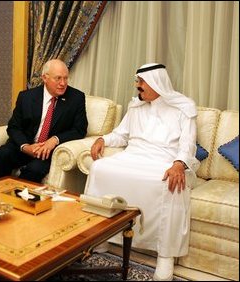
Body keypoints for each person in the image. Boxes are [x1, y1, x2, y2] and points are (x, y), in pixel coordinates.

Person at [85, 63, 199, 281]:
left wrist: (179, 163)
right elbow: (121, 135)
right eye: (137, 81)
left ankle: (165, 254)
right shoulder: (136, 106)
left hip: (165, 161)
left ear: (156, 82)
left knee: (171, 182)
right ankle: (101, 236)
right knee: (99, 168)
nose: (137, 86)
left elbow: (187, 144)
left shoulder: (184, 107)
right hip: (133, 157)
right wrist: (103, 139)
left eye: (141, 82)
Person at [0, 59, 88, 183]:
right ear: (45, 78)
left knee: (34, 169)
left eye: (65, 78)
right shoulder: (26, 97)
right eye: (58, 78)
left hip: (47, 152)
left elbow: (80, 130)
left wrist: (54, 140)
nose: (63, 83)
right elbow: (13, 127)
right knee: (2, 154)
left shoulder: (76, 98)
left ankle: (17, 198)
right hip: (27, 145)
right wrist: (25, 147)